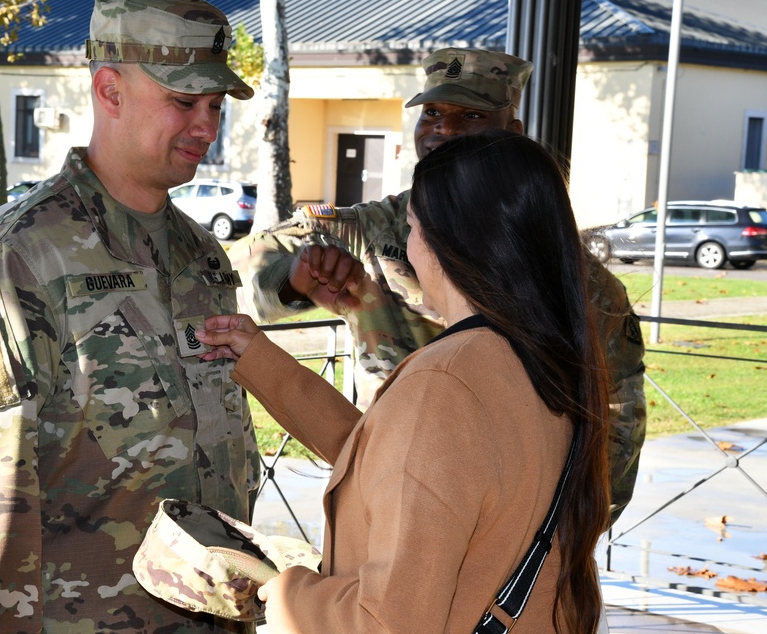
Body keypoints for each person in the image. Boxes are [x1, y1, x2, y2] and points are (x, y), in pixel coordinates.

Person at [0, 0, 261, 632]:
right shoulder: (17, 255)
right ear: (109, 90)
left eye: (216, 106)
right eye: (185, 101)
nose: (207, 126)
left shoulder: (202, 256)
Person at [199, 130, 612, 633]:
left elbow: (388, 622)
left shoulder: (446, 382)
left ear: (449, 241)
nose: (407, 246)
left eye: (412, 227)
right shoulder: (541, 354)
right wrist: (262, 360)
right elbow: (396, 460)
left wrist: (290, 594)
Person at [229, 47, 646, 524]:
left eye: (471, 115)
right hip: (385, 509)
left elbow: (615, 424)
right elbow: (231, 275)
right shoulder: (374, 230)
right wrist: (292, 280)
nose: (443, 129)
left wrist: (550, 543)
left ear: (512, 134)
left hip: (513, 535)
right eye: (432, 112)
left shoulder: (578, 282)